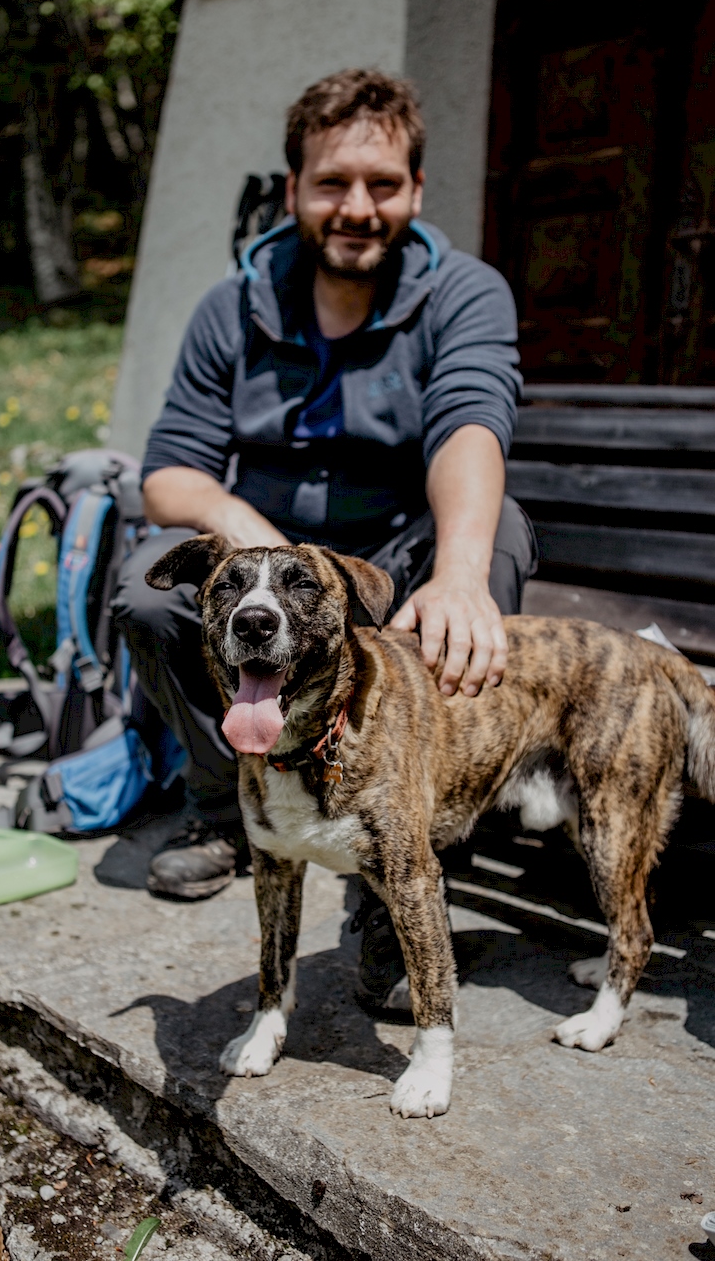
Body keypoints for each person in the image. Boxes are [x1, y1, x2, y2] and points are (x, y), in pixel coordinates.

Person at [112, 68, 537, 1007]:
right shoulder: (233, 306)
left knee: (494, 532)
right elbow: (169, 472)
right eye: (331, 183)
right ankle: (228, 807)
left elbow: (470, 425)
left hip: (391, 564)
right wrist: (255, 552)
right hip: (264, 560)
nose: (357, 207)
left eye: (382, 184)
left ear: (416, 191)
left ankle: (396, 855)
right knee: (144, 595)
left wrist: (460, 574)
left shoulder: (466, 293)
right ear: (293, 188)